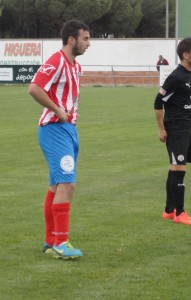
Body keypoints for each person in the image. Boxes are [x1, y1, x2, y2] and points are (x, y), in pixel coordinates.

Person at [28, 20, 90, 259]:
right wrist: (57, 109)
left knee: (56, 186)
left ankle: (50, 241)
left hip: (68, 130)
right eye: (85, 38)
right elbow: (34, 87)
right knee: (67, 184)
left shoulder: (76, 67)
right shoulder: (57, 61)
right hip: (54, 128)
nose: (88, 43)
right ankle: (61, 243)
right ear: (72, 39)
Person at [154, 37, 191, 226]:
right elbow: (158, 102)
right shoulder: (176, 77)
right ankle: (180, 213)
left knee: (174, 168)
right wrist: (161, 129)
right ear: (185, 55)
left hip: (185, 128)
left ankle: (168, 210)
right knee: (179, 168)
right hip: (176, 129)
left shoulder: (188, 73)